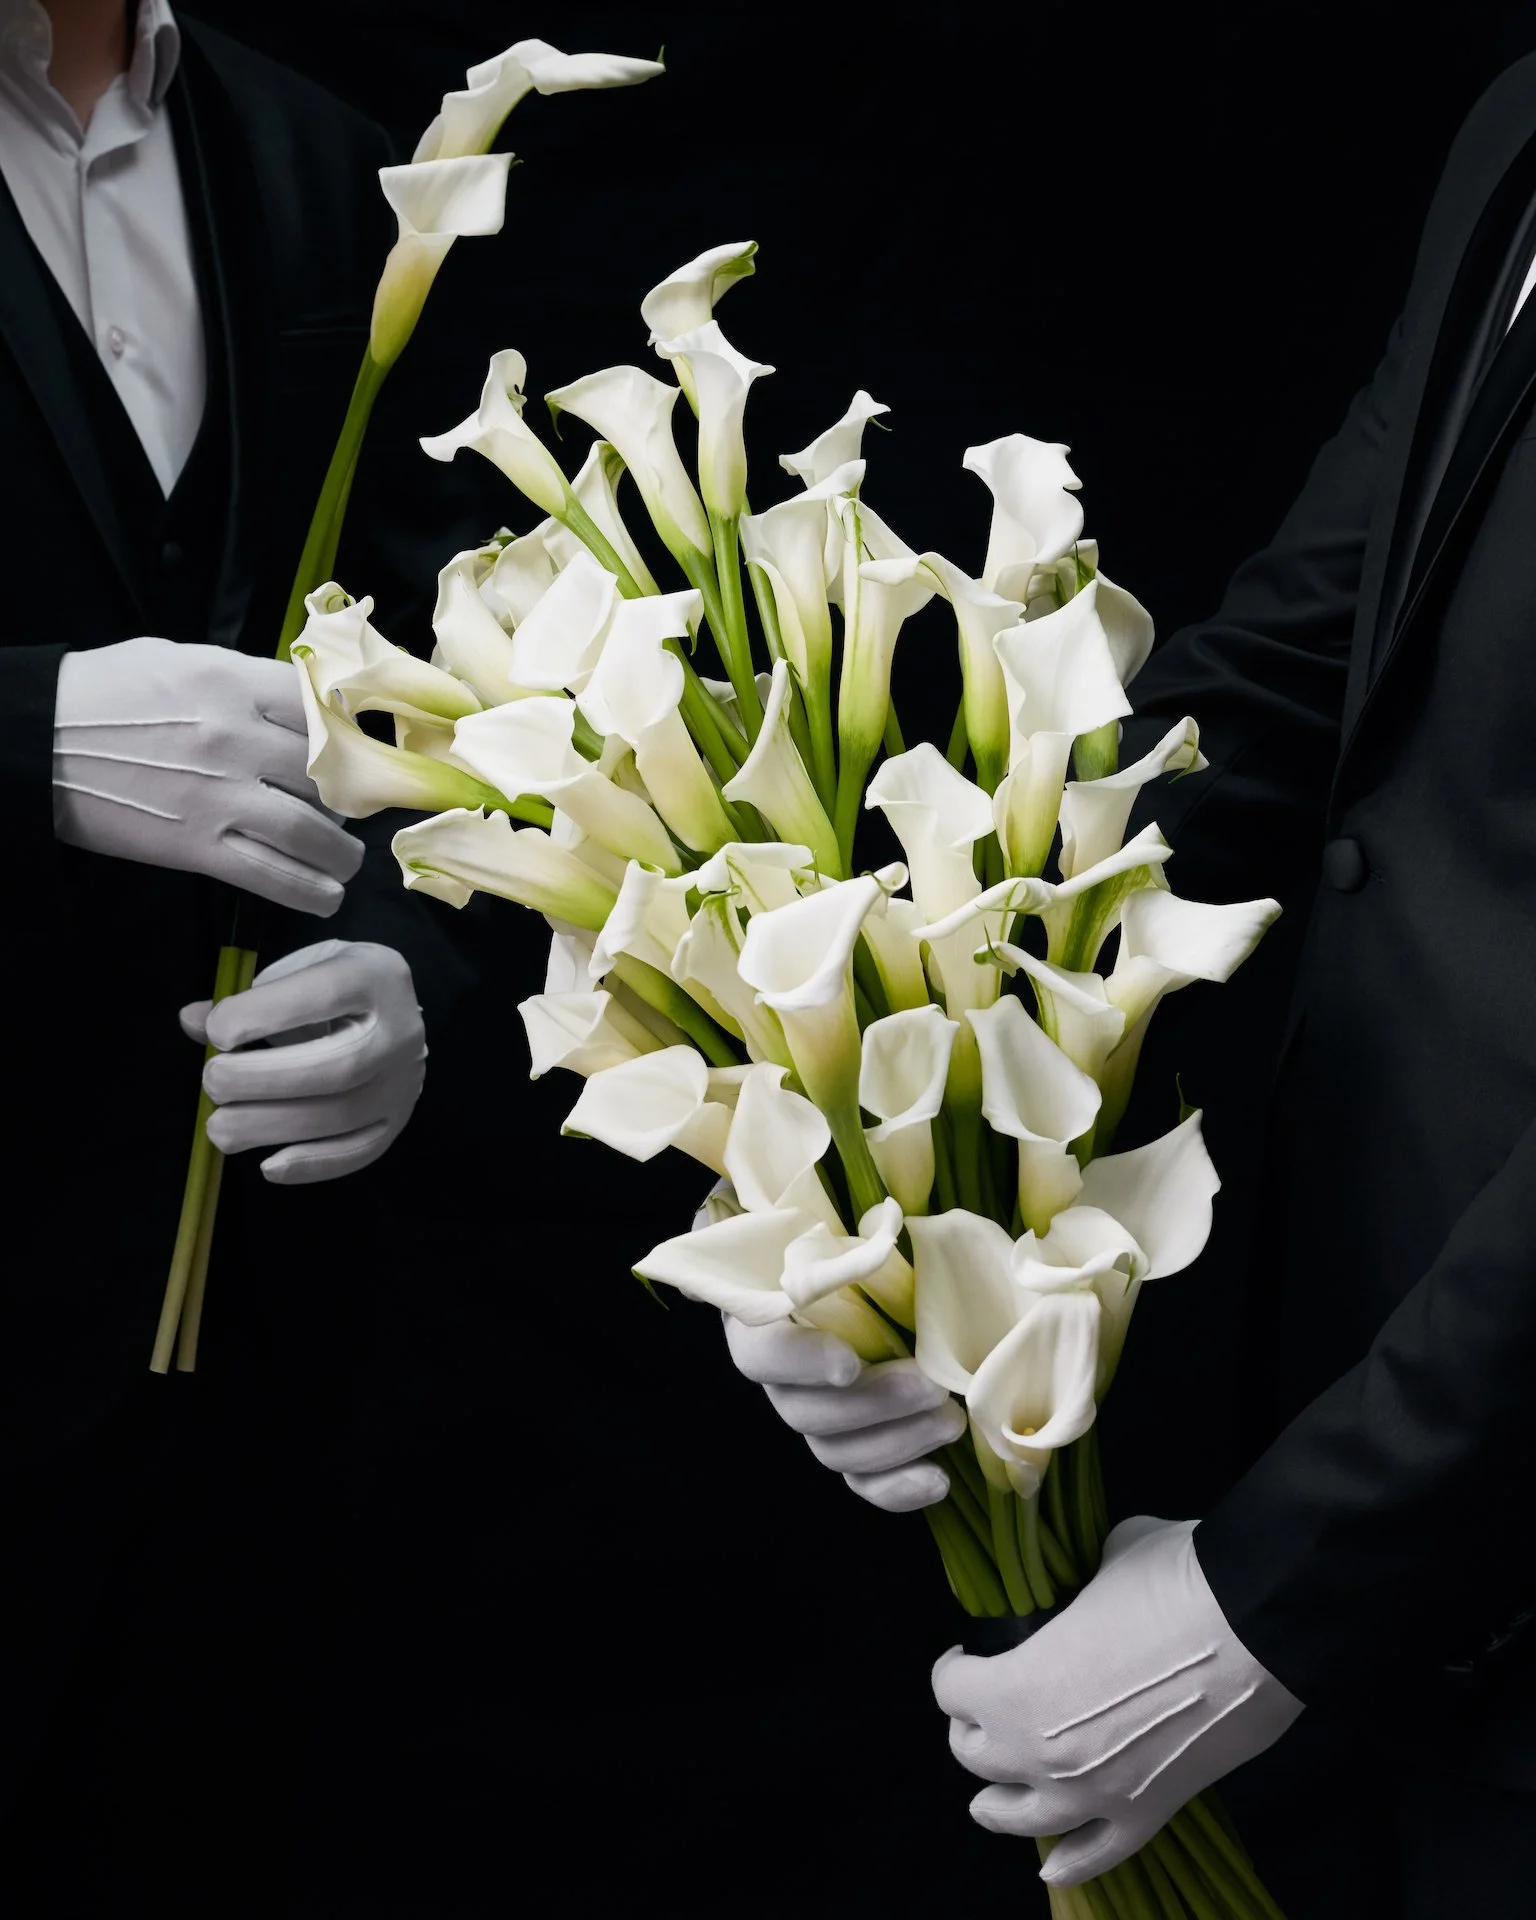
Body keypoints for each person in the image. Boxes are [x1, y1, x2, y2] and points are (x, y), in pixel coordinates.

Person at [724, 45, 1536, 1919]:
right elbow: (1278, 680)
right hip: (1337, 1496)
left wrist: (1293, 1589)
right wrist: (855, 1150)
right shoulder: (1519, 127)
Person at [0, 1, 484, 1907]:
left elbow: (452, 653)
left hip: (249, 1379)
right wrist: (17, 734)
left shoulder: (322, 158)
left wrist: (414, 968)